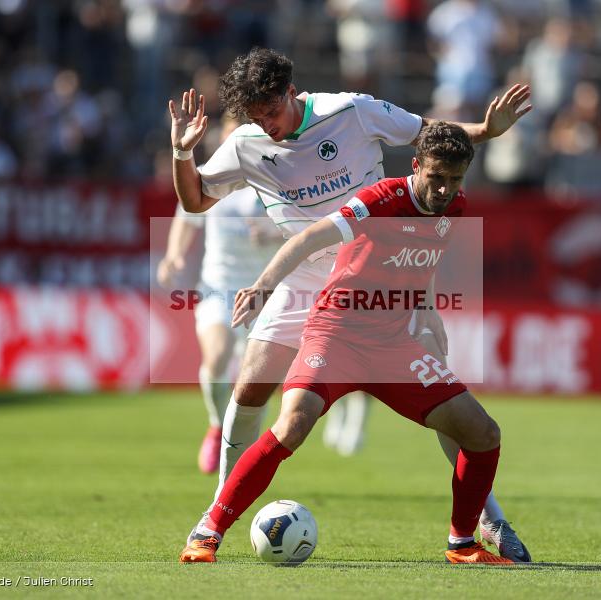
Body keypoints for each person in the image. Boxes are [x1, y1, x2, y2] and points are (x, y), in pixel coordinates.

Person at [169, 47, 532, 561]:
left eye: (270, 111)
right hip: (307, 277)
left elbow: (428, 134)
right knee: (251, 388)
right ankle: (218, 511)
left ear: (290, 93)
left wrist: (485, 130)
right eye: (255, 116)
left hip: (384, 278)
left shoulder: (351, 111)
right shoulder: (246, 143)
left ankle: (487, 525)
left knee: (452, 407)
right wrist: (183, 154)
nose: (265, 125)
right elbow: (194, 201)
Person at [158, 113, 283, 474]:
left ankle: (240, 457)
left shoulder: (277, 177)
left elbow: (304, 227)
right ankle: (217, 427)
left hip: (266, 294)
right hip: (220, 288)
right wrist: (174, 254)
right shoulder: (212, 176)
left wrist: (274, 234)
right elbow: (187, 215)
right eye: (232, 134)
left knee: (252, 386)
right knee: (215, 360)